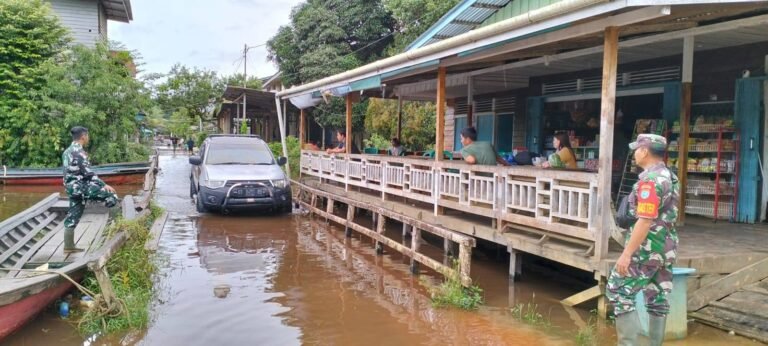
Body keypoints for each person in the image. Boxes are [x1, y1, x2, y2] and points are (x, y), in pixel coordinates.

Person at [606, 134, 679, 346]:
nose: (634, 153)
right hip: (666, 249)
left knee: (618, 291)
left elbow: (645, 221)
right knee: (657, 298)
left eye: (637, 149)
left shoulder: (650, 181)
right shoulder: (670, 176)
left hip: (646, 248)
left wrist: (626, 254)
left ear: (645, 151)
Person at [62, 127, 119, 253]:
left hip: (71, 189)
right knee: (112, 195)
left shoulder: (67, 151)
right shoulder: (79, 152)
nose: (88, 138)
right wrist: (103, 185)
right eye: (87, 136)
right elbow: (88, 173)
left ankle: (68, 246)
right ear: (83, 136)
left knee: (73, 215)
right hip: (81, 187)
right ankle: (118, 230)